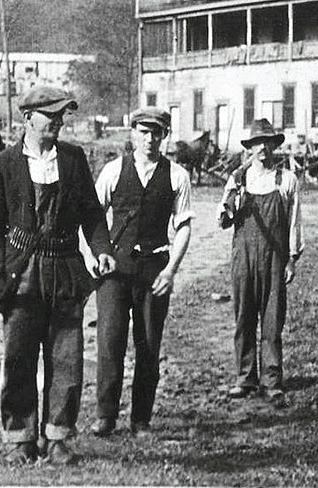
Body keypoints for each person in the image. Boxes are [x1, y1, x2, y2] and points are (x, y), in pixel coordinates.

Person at [0, 85, 116, 465]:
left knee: (67, 357)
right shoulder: (1, 166)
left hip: (67, 271)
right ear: (27, 118)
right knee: (19, 356)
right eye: (50, 115)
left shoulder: (73, 160)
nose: (57, 121)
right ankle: (20, 437)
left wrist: (102, 251)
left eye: (61, 115)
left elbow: (92, 214)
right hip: (21, 274)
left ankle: (57, 437)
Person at [86, 107, 193, 438]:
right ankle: (106, 415)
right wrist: (94, 255)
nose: (150, 139)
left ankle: (141, 419)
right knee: (110, 340)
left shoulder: (177, 175)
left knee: (148, 344)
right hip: (115, 270)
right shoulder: (113, 171)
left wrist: (171, 270)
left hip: (154, 270)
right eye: (143, 132)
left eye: (156, 133)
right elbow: (91, 217)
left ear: (164, 136)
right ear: (132, 133)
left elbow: (185, 225)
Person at [218, 119, 304, 406]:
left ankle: (271, 380)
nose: (263, 148)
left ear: (275, 146)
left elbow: (294, 224)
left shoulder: (286, 180)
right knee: (243, 317)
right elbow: (224, 220)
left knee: (271, 321)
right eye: (257, 143)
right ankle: (245, 378)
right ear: (250, 148)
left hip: (274, 259)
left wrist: (291, 259)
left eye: (268, 142)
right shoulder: (238, 179)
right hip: (243, 257)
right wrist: (233, 204)